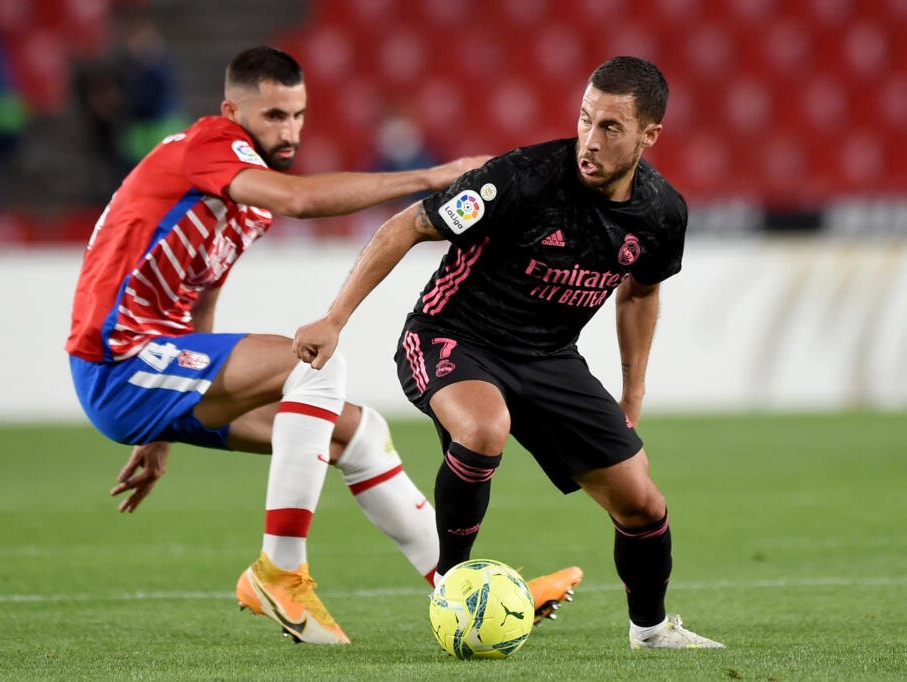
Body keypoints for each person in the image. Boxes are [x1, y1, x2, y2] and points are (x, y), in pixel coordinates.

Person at [65, 46, 579, 646]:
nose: (290, 131)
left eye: (299, 115)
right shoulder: (207, 148)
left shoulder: (242, 193)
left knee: (358, 433)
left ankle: (464, 590)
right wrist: (433, 177)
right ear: (233, 112)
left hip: (157, 368)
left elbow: (202, 296)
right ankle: (278, 571)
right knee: (313, 363)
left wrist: (163, 430)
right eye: (274, 116)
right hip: (118, 360)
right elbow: (303, 201)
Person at [294, 56, 725, 650]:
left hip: (549, 357)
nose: (590, 141)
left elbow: (640, 292)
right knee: (485, 427)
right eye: (585, 120)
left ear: (650, 136)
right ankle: (450, 586)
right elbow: (405, 226)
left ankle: (651, 631)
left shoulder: (661, 214)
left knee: (643, 502)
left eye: (610, 128)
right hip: (450, 334)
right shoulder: (519, 178)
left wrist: (633, 389)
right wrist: (335, 318)